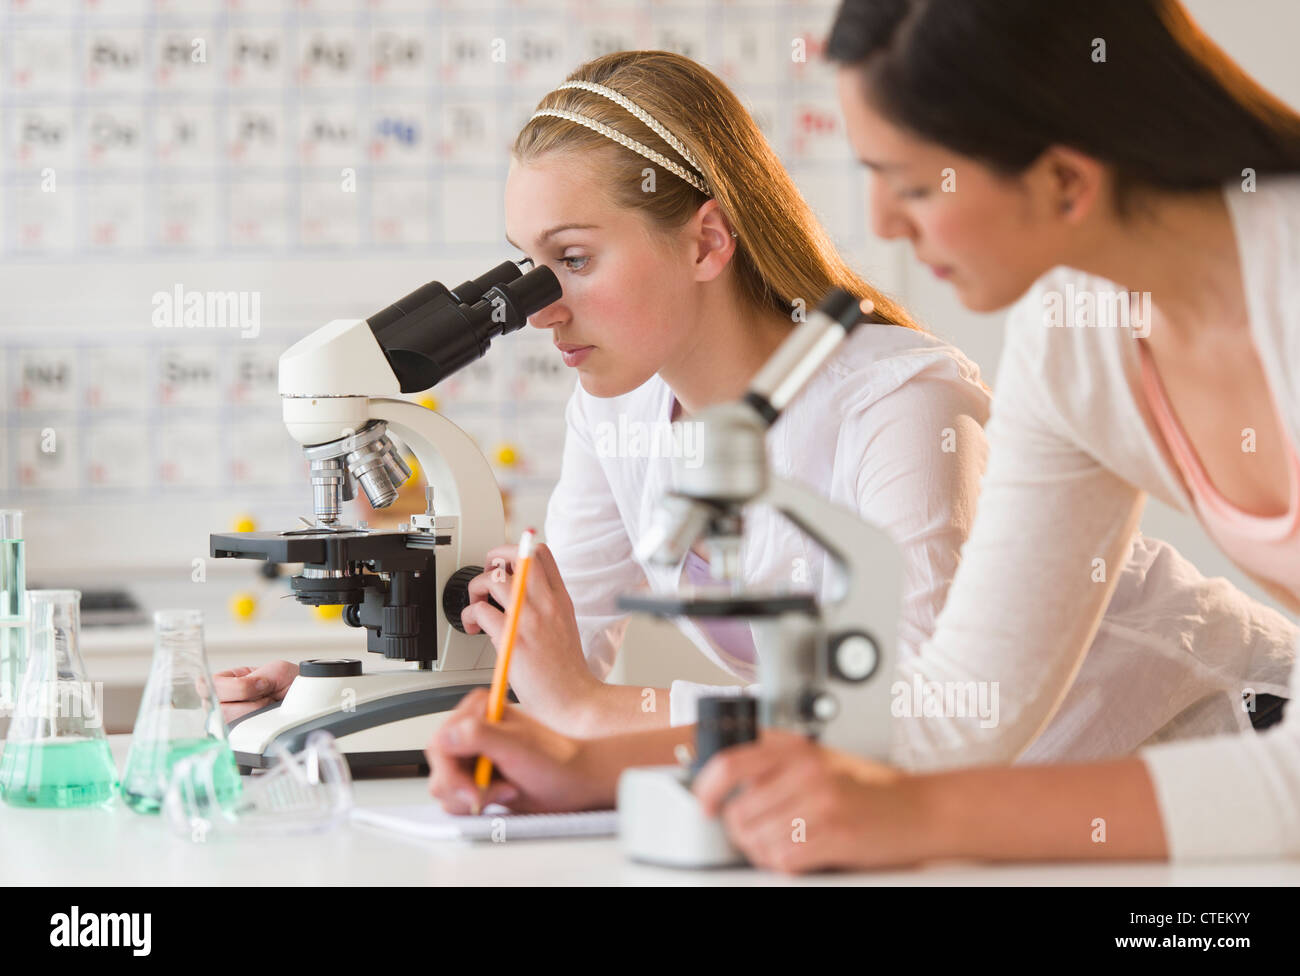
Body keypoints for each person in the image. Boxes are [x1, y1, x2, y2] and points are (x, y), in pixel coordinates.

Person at [427, 1, 1300, 873]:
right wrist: (586, 761)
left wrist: (598, 717)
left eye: (915, 184)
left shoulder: (910, 392)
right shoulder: (1073, 333)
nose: (881, 223)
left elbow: (936, 723)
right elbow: (958, 709)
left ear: (1065, 181)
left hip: (1223, 750)